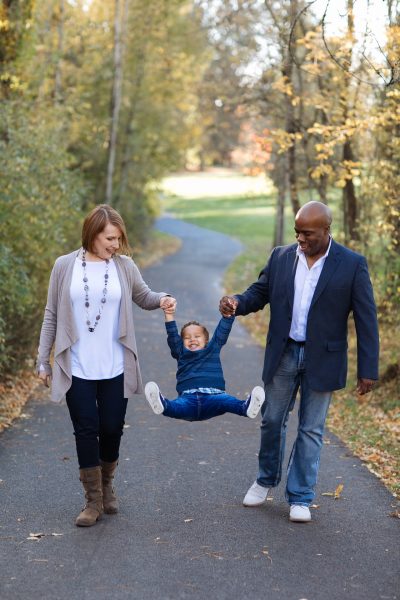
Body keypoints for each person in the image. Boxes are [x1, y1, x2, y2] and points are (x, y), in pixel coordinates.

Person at [219, 201, 379, 523]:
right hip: (285, 352)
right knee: (272, 419)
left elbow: (366, 318)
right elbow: (259, 291)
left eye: (307, 233)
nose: (301, 239)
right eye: (297, 232)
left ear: (326, 230)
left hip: (325, 358)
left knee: (311, 429)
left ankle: (301, 497)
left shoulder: (351, 264)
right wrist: (237, 302)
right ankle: (265, 481)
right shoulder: (281, 256)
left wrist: (368, 368)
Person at [37, 204, 176, 527]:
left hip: (115, 365)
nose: (116, 245)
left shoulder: (124, 267)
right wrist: (42, 359)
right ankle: (93, 500)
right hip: (77, 366)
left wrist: (162, 299)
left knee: (111, 428)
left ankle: (108, 483)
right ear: (93, 234)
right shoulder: (64, 266)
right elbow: (51, 315)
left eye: (118, 239)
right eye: (110, 238)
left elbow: (143, 296)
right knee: (86, 430)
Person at [144, 302, 265, 421]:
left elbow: (221, 333)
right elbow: (172, 335)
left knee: (227, 401)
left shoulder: (213, 348)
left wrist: (228, 316)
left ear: (206, 340)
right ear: (182, 342)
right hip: (188, 399)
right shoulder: (180, 352)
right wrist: (169, 314)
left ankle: (246, 407)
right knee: (176, 407)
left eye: (197, 336)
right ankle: (162, 404)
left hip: (214, 398)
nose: (192, 339)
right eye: (187, 337)